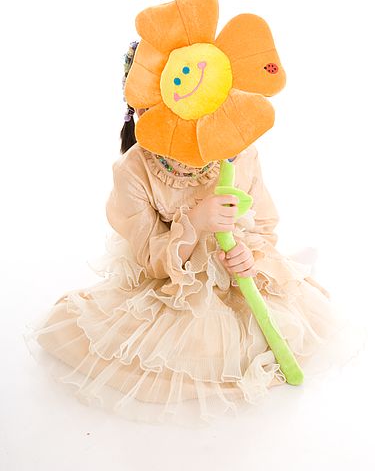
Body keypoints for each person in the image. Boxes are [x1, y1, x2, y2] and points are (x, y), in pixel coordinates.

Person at [23, 41, 353, 427]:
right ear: (139, 110)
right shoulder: (133, 171)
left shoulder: (238, 153)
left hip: (232, 272)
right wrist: (196, 222)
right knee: (194, 347)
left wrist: (248, 254)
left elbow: (262, 223)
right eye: (154, 107)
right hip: (173, 280)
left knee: (275, 325)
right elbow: (153, 260)